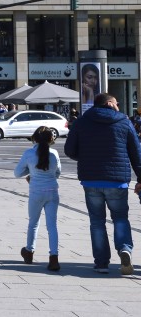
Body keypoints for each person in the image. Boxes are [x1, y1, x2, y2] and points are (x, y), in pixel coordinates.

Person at [64, 93, 141, 274]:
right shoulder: (124, 121)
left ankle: (101, 263)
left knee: (97, 222)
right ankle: (124, 249)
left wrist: (83, 157)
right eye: (117, 103)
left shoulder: (82, 121)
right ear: (109, 103)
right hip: (117, 181)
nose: (119, 106)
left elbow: (69, 149)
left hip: (91, 179)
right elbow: (136, 152)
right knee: (120, 217)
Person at [15, 126, 61, 272]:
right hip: (52, 192)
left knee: (33, 223)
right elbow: (57, 173)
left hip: (36, 192)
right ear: (50, 140)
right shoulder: (54, 153)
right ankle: (54, 257)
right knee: (52, 226)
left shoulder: (29, 153)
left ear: (34, 138)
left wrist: (31, 172)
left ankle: (29, 251)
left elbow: (17, 173)